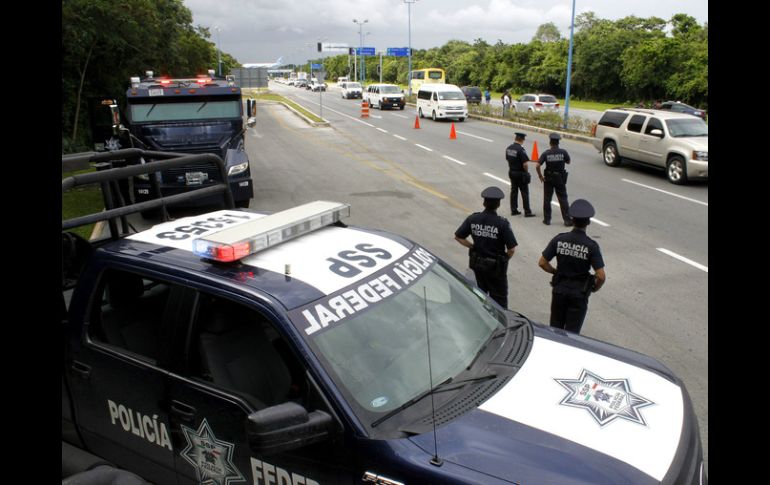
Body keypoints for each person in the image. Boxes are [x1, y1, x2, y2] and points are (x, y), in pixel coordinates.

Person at [538, 199, 606, 334]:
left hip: (559, 290)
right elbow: (601, 276)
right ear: (588, 222)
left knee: (555, 330)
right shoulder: (591, 246)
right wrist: (594, 288)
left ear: (572, 220)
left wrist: (555, 272)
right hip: (578, 294)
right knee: (572, 334)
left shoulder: (559, 239)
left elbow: (542, 262)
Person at [454, 186, 518, 308]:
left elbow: (458, 236)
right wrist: (504, 259)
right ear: (498, 204)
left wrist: (472, 246)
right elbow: (511, 249)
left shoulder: (473, 219)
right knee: (499, 300)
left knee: (479, 295)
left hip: (477, 265)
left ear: (484, 202)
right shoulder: (502, 223)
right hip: (495, 269)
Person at [535, 132, 572, 226]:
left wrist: (540, 176)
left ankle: (547, 220)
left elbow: (537, 165)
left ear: (550, 143)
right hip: (560, 178)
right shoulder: (563, 152)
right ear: (558, 143)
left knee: (547, 199)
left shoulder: (546, 153)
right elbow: (568, 162)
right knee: (563, 199)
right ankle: (567, 220)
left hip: (548, 178)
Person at [505, 132, 535, 217]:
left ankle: (514, 210)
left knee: (514, 191)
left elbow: (508, 159)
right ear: (522, 139)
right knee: (524, 192)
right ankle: (527, 211)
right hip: (520, 173)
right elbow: (525, 164)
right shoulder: (521, 150)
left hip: (511, 172)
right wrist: (526, 172)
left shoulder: (509, 148)